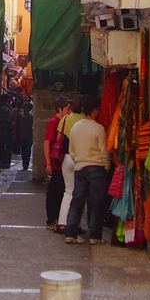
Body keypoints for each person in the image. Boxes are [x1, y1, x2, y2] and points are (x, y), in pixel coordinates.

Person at [64, 94, 111, 245]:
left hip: (80, 167)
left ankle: (70, 233)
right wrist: (106, 165)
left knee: (77, 200)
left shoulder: (75, 127)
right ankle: (95, 236)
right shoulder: (99, 128)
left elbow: (71, 150)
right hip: (96, 167)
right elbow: (104, 151)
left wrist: (78, 160)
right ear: (95, 111)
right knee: (96, 202)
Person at [43, 96, 72, 230]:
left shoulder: (64, 122)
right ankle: (51, 219)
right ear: (60, 109)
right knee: (54, 191)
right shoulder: (54, 122)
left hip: (60, 162)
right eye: (67, 108)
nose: (69, 111)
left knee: (60, 191)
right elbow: (47, 142)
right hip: (55, 163)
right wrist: (48, 163)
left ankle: (57, 218)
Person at [56, 96, 83, 232]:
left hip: (66, 157)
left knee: (68, 191)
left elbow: (58, 139)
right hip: (80, 158)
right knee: (79, 193)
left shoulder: (65, 119)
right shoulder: (86, 120)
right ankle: (74, 224)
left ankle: (62, 222)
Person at [17, 101, 34, 171]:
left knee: (27, 151)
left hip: (28, 137)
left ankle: (26, 164)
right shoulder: (20, 117)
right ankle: (24, 164)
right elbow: (17, 127)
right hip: (22, 136)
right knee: (23, 151)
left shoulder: (31, 117)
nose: (26, 109)